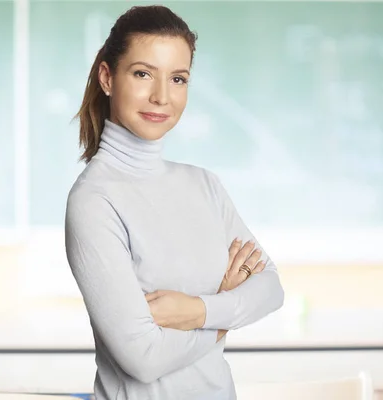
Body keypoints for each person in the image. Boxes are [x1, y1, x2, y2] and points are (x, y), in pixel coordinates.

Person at [64, 5, 285, 400]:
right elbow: (143, 358)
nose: (161, 96)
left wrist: (197, 311)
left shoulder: (204, 185)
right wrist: (227, 311)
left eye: (178, 78)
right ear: (107, 77)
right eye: (143, 73)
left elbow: (271, 289)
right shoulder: (94, 201)